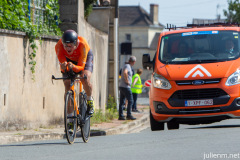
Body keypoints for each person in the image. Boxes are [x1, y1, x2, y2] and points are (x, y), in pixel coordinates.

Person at [55, 30, 95, 118]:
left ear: (76, 44)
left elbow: (81, 67)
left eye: (70, 46)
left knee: (85, 78)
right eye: (66, 46)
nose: (68, 48)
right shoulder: (58, 46)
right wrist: (64, 66)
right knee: (67, 84)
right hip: (69, 60)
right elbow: (62, 66)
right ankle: (69, 118)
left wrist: (73, 67)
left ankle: (89, 99)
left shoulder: (82, 45)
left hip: (84, 58)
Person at [118, 56, 137, 120]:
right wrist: (127, 81)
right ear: (133, 62)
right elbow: (125, 72)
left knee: (122, 101)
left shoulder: (126, 65)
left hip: (122, 86)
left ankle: (121, 115)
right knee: (131, 100)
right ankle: (129, 114)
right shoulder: (127, 66)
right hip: (126, 86)